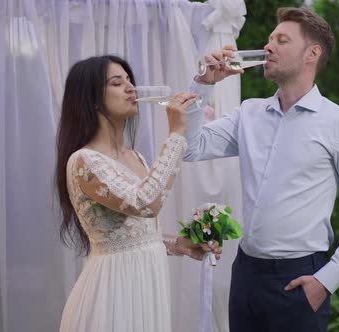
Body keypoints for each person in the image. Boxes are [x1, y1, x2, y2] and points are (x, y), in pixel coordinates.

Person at [183, 7, 339, 332]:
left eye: (281, 40)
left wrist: (327, 280)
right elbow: (191, 148)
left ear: (312, 54)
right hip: (246, 275)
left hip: (300, 283)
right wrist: (203, 84)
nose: (268, 47)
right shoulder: (247, 114)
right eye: (269, 39)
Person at [54, 55, 221, 332]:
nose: (131, 88)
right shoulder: (85, 161)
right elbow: (145, 204)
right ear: (92, 99)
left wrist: (177, 244)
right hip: (113, 291)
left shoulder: (135, 157)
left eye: (130, 81)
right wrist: (177, 133)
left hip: (145, 285)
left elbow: (135, 233)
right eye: (117, 83)